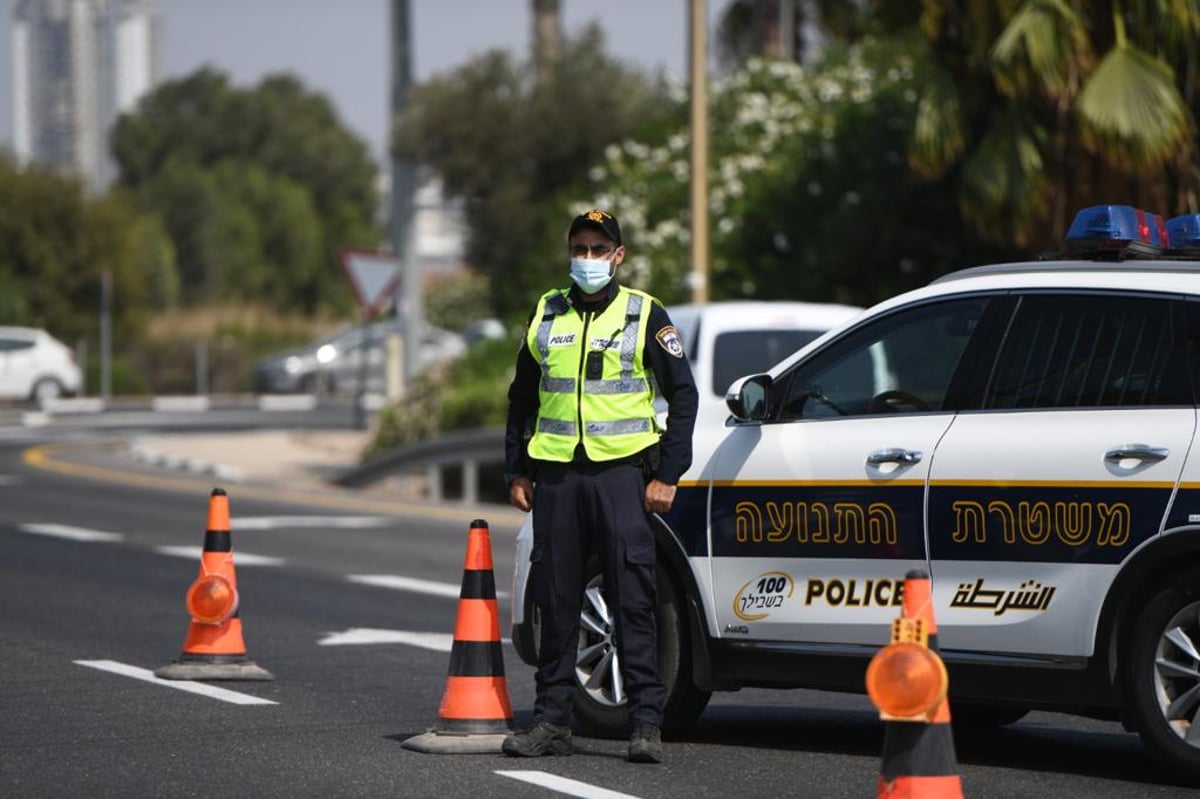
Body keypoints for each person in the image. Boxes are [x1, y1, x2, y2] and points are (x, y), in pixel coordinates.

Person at [501, 209, 698, 764]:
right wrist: (517, 469)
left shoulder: (643, 312)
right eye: (579, 248)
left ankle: (645, 725)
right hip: (558, 476)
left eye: (598, 248)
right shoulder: (547, 311)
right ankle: (551, 723)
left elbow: (683, 396)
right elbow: (523, 397)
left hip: (621, 476)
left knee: (632, 599)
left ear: (619, 255)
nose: (587, 258)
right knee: (557, 599)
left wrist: (667, 475)